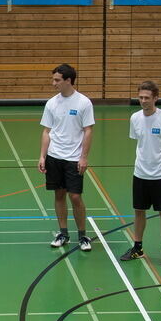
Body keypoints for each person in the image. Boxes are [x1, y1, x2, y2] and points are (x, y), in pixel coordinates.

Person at [119, 81, 161, 268]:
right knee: (139, 211)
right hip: (140, 173)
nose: (143, 101)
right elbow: (140, 141)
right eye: (140, 97)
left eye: (147, 98)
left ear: (155, 98)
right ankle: (137, 248)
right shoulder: (135, 118)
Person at [39, 63, 95, 251]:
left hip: (73, 158)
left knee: (75, 196)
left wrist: (84, 157)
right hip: (54, 156)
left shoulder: (83, 103)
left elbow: (88, 131)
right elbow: (47, 131)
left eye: (57, 80)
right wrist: (42, 156)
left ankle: (83, 235)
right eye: (53, 79)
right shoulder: (52, 103)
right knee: (59, 194)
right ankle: (63, 233)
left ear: (68, 81)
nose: (53, 83)